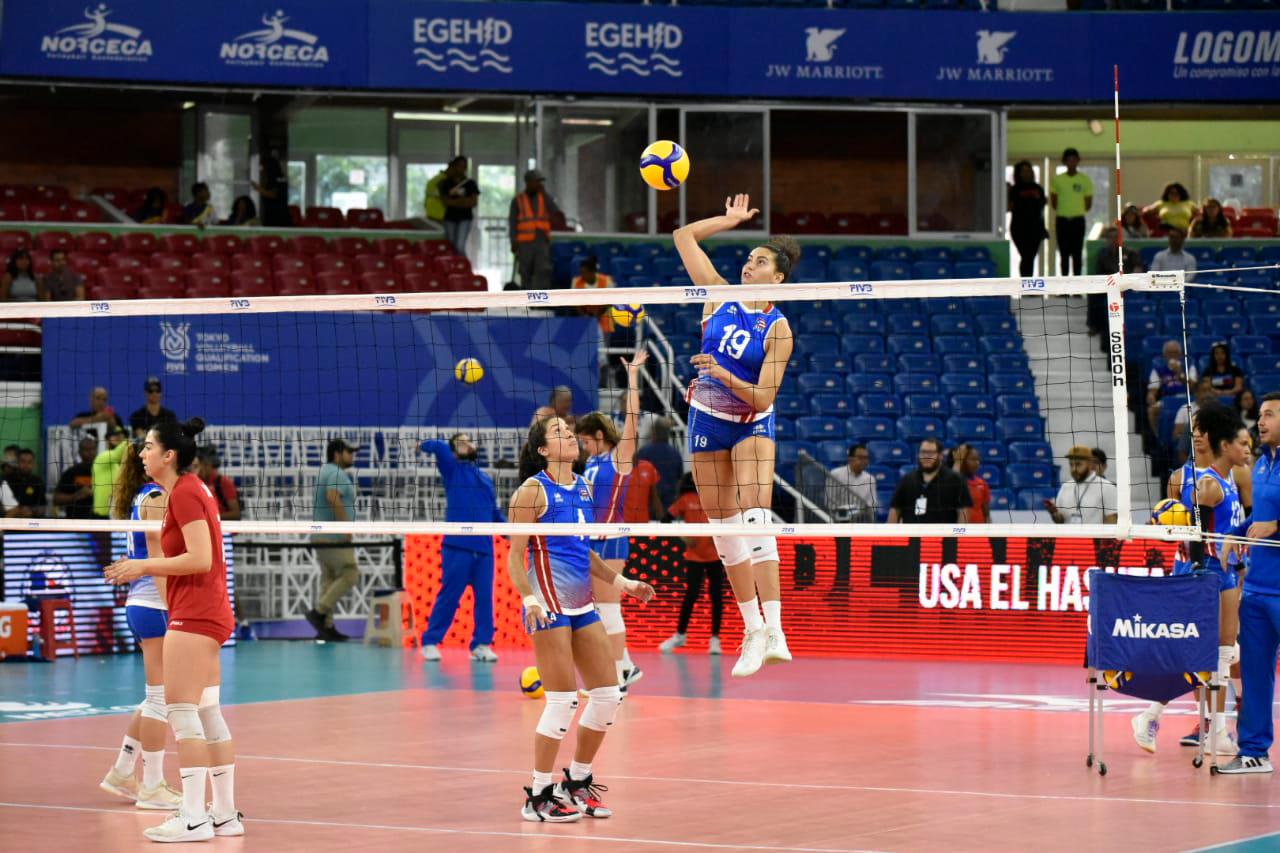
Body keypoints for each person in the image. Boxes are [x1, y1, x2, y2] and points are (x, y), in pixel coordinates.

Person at [673, 192, 798, 678]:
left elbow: (763, 399)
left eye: (760, 261)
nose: (749, 265)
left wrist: (718, 374)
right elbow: (683, 237)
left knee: (754, 515)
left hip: (750, 422)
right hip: (706, 419)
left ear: (779, 278)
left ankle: (777, 628)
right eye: (748, 258)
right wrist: (726, 221)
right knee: (723, 530)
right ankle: (751, 630)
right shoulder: (717, 295)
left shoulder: (778, 327)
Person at [507, 416, 655, 822]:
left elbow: (582, 552)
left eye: (569, 430)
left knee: (609, 695)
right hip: (549, 604)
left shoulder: (585, 486)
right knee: (562, 701)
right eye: (558, 432)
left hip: (582, 603)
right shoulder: (531, 492)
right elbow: (513, 557)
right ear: (542, 450)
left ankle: (577, 780)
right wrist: (529, 599)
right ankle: (537, 795)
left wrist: (622, 582)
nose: (569, 435)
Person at [104, 418, 242, 841]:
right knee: (208, 713)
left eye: (148, 446)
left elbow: (200, 558)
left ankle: (193, 817)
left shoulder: (182, 494)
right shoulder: (193, 488)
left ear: (169, 455)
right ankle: (223, 814)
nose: (140, 453)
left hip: (193, 613)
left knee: (180, 713)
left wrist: (144, 566)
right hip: (209, 609)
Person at [1133, 406, 1250, 755]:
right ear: (1223, 443)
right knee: (1196, 652)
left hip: (1226, 570)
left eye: (1202, 429)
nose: (1196, 434)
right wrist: (1173, 516)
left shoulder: (1231, 478)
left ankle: (1215, 730)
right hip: (1199, 570)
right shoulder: (1200, 482)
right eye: (1194, 429)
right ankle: (1152, 713)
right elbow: (1176, 520)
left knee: (1225, 650)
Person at [99, 441, 181, 810]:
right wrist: (172, 605)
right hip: (155, 604)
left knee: (155, 698)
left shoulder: (140, 496)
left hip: (143, 602)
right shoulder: (157, 496)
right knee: (161, 699)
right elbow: (158, 554)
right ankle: (151, 786)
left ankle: (121, 771)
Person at [576, 351, 648, 689]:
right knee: (598, 607)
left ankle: (620, 672)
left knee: (608, 605)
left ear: (599, 436)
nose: (584, 446)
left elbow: (632, 419)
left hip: (612, 538)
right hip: (590, 539)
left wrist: (632, 377)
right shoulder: (592, 462)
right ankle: (625, 666)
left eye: (586, 440)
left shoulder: (619, 457)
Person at [1218, 392, 1280, 774]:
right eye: (1260, 414)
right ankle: (1254, 751)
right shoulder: (1259, 465)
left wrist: (1277, 527)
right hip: (1256, 588)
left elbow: (1272, 521)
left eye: (1270, 414)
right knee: (1255, 676)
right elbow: (1261, 514)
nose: (1261, 421)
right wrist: (1235, 531)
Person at [418, 433, 506, 663]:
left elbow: (495, 514)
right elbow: (436, 446)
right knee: (450, 596)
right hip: (458, 546)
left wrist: (513, 534)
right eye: (461, 442)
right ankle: (430, 642)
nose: (468, 444)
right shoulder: (452, 470)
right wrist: (429, 444)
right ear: (454, 450)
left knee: (485, 598)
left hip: (484, 549)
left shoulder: (486, 479)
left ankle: (481, 645)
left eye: (470, 441)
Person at [659, 473, 725, 656]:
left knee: (716, 596)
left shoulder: (716, 498)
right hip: (694, 556)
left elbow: (729, 522)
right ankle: (680, 635)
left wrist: (720, 539)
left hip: (716, 555)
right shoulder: (685, 499)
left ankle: (715, 640)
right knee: (691, 595)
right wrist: (683, 536)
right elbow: (665, 519)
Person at [307, 438, 359, 642]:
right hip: (332, 536)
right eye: (349, 452)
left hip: (321, 536)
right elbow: (332, 497)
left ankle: (326, 628)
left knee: (328, 579)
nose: (352, 456)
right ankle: (319, 613)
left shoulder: (326, 471)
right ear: (337, 454)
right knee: (351, 573)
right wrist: (345, 527)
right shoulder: (335, 473)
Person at [888, 438, 972, 524]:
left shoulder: (956, 480)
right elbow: (895, 510)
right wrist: (891, 537)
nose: (926, 456)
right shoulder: (907, 480)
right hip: (913, 535)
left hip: (944, 536)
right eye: (923, 452)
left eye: (931, 453)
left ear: (940, 456)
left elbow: (964, 511)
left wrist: (958, 536)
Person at [509, 169, 560, 291]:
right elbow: (512, 222)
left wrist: (545, 194)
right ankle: (527, 299)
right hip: (524, 242)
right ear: (528, 182)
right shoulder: (518, 200)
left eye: (540, 182)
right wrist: (513, 240)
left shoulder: (545, 198)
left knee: (543, 270)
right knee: (525, 270)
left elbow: (555, 211)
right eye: (537, 181)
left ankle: (541, 301)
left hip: (541, 240)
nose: (539, 184)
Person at [1046, 445, 1118, 524]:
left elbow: (1112, 523)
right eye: (1071, 465)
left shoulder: (1107, 487)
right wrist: (1053, 513)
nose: (1074, 469)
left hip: (1093, 536)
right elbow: (1060, 520)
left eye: (1078, 464)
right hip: (1069, 536)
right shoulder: (1065, 487)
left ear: (1090, 464)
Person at [1049, 147, 1093, 276]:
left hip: (1078, 220)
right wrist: (1065, 211)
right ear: (1064, 162)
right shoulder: (1058, 180)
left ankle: (1077, 289)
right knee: (1064, 253)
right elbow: (1054, 201)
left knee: (1077, 253)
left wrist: (1076, 211)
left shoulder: (1084, 180)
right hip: (1062, 220)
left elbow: (1088, 203)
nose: (1071, 163)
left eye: (1074, 160)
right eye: (1068, 160)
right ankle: (1064, 288)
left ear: (1078, 161)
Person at [1147, 340, 1197, 434]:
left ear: (1180, 355)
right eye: (1169, 353)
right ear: (1164, 355)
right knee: (1152, 410)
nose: (1172, 355)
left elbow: (1192, 387)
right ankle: (1160, 438)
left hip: (1188, 399)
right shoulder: (1158, 370)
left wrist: (1180, 372)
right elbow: (1152, 390)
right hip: (1168, 399)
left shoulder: (1189, 366)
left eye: (1175, 353)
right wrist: (1151, 397)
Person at [1007, 160, 1047, 278]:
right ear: (1018, 173)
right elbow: (1009, 207)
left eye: (1028, 170)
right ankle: (1026, 286)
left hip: (1036, 228)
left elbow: (1041, 207)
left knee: (1030, 257)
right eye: (1023, 170)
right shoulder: (1014, 189)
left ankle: (1027, 286)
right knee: (1026, 256)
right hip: (1019, 228)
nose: (1026, 173)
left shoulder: (1038, 188)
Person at [636, 417, 683, 511]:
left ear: (653, 432)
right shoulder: (675, 454)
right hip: (669, 505)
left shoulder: (643, 452)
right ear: (668, 433)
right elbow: (679, 481)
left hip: (648, 503)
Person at [438, 156, 480, 257]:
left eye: (464, 166)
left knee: (459, 246)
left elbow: (473, 202)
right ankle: (453, 267)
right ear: (454, 167)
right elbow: (445, 201)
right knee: (451, 245)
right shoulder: (446, 183)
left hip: (465, 218)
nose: (462, 169)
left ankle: (463, 268)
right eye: (459, 166)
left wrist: (455, 202)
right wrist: (463, 201)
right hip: (449, 218)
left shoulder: (470, 184)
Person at [826, 443, 877, 523]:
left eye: (866, 458)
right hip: (839, 520)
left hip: (861, 521)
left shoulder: (870, 479)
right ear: (850, 459)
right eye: (860, 457)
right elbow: (830, 502)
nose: (864, 461)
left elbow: (871, 505)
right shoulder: (835, 474)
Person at [54, 436, 98, 519]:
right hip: (75, 521)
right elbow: (56, 499)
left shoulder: (105, 471)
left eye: (92, 449)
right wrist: (76, 496)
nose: (90, 452)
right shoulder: (71, 472)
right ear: (80, 452)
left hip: (99, 522)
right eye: (86, 449)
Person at [92, 426, 130, 519]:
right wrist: (131, 440)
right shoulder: (102, 457)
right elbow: (117, 454)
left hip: (114, 511)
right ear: (107, 440)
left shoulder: (117, 464)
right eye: (115, 435)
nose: (119, 438)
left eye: (121, 435)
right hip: (101, 514)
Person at [571, 257, 615, 334]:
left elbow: (610, 302)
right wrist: (584, 315)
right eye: (581, 272)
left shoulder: (607, 280)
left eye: (585, 273)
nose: (582, 275)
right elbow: (575, 303)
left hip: (603, 313)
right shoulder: (576, 282)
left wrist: (598, 314)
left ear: (593, 272)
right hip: (584, 314)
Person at [196, 448, 240, 521]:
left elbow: (236, 514)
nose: (197, 471)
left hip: (225, 527)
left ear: (207, 465)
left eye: (197, 466)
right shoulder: (198, 482)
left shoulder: (224, 482)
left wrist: (212, 517)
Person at [952, 443, 990, 523]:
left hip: (979, 531)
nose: (977, 463)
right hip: (961, 532)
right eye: (973, 459)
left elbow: (986, 514)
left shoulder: (982, 484)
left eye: (978, 460)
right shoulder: (955, 481)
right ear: (963, 460)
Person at [252, 156, 290, 228]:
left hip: (280, 218)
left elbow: (273, 194)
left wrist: (258, 188)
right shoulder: (267, 180)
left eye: (263, 167)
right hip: (269, 217)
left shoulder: (280, 179)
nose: (261, 170)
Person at [6, 448, 45, 517]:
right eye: (23, 461)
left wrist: (32, 510)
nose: (26, 465)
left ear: (33, 464)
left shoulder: (38, 481)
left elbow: (43, 508)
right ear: (17, 462)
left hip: (31, 522)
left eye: (29, 462)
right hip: (8, 519)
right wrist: (17, 510)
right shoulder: (7, 479)